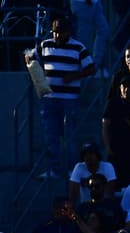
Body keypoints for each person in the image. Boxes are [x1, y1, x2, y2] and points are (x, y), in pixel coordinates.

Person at [34, 15, 95, 178]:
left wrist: (74, 76)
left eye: (60, 32)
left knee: (70, 136)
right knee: (51, 135)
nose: (57, 36)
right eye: (54, 32)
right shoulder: (45, 44)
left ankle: (72, 170)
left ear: (68, 32)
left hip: (69, 100)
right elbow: (32, 58)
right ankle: (54, 169)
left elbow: (91, 68)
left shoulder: (78, 47)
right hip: (49, 99)